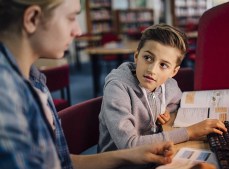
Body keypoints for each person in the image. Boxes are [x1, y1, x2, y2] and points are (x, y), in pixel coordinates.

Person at [0, 0, 176, 168]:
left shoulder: (33, 79)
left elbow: (58, 162)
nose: (77, 31)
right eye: (71, 18)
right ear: (32, 19)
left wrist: (131, 155)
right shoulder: (7, 98)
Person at [98, 23, 227, 154]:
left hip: (153, 157)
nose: (151, 70)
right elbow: (129, 145)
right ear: (136, 56)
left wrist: (166, 110)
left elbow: (177, 102)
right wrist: (190, 132)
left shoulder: (169, 84)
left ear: (174, 72)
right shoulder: (117, 87)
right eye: (147, 58)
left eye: (163, 65)